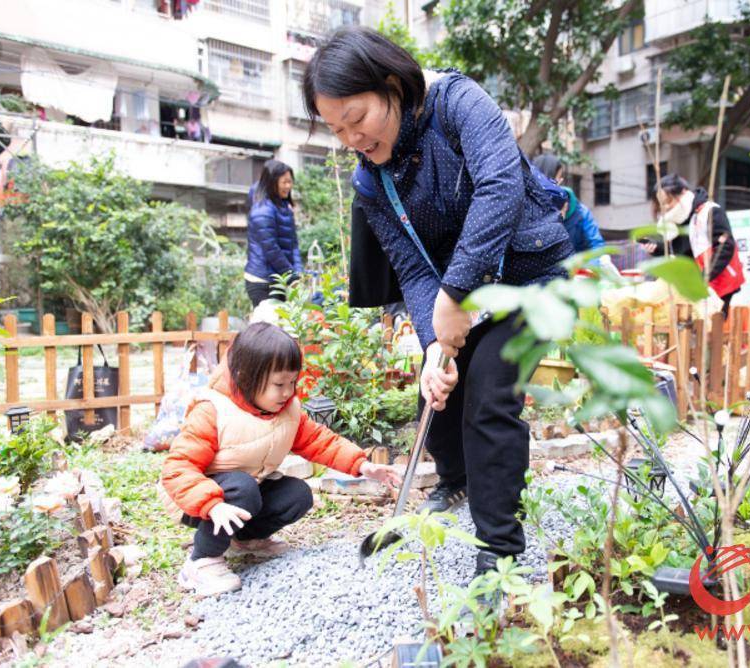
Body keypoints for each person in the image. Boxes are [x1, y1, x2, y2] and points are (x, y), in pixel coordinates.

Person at [303, 27, 574, 577]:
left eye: (357, 118)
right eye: (337, 130)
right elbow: (410, 265)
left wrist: (455, 295)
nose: (352, 137)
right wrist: (434, 342)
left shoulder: (457, 103)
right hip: (460, 286)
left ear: (390, 85)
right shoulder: (371, 181)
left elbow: (501, 187)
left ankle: (500, 552)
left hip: (528, 274)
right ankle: (455, 482)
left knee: (490, 398)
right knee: (441, 391)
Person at [160, 322, 401, 596]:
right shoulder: (213, 410)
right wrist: (211, 504)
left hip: (242, 492)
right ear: (245, 376)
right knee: (242, 488)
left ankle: (246, 539)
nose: (287, 392)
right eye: (278, 384)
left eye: (292, 383)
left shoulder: (286, 409)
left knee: (296, 494)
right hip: (198, 501)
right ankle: (201, 561)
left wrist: (363, 465)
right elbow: (178, 467)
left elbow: (319, 441)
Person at [642, 174, 744, 315]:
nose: (665, 207)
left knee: (711, 326)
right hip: (694, 282)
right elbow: (683, 252)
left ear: (683, 192)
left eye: (668, 201)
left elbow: (725, 247)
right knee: (693, 328)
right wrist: (657, 249)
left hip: (718, 278)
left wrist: (704, 277)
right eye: (661, 204)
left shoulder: (710, 211)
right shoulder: (674, 221)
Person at [244, 160, 302, 308]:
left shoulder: (283, 206)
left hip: (279, 279)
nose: (288, 186)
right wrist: (291, 275)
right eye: (284, 182)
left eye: (290, 182)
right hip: (262, 281)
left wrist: (298, 272)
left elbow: (293, 243)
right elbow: (271, 249)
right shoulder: (262, 210)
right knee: (269, 328)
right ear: (272, 182)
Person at [531, 153, 606, 253]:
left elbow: (597, 246)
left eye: (561, 178)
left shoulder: (580, 212)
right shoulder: (528, 212)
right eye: (558, 178)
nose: (560, 182)